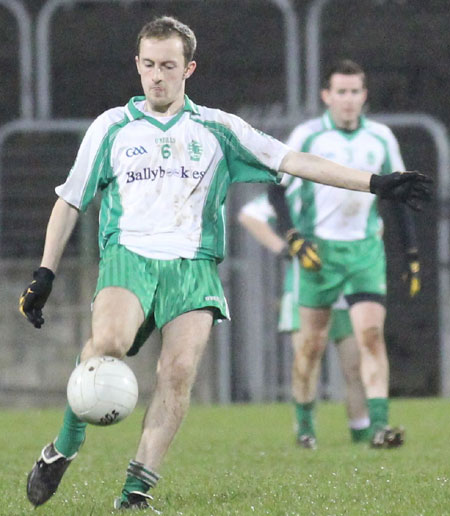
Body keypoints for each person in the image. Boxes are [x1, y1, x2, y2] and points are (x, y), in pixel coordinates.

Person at [19, 18, 431, 511]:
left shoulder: (217, 128)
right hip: (130, 255)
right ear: (137, 65)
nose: (157, 76)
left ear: (188, 68)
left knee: (178, 372)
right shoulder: (111, 127)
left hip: (195, 266)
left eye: (168, 66)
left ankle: (135, 493)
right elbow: (69, 201)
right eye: (148, 65)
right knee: (107, 344)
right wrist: (45, 272)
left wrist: (375, 183)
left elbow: (293, 160)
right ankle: (65, 446)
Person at [268, 59, 424, 450]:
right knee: (311, 345)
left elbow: (399, 194)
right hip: (319, 253)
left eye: (355, 92)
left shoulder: (381, 138)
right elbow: (276, 188)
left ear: (364, 96)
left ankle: (379, 428)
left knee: (371, 337)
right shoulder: (308, 135)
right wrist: (293, 238)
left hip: (365, 251)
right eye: (341, 91)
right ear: (327, 96)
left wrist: (411, 252)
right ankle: (305, 428)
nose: (348, 100)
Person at [239, 193, 370, 449]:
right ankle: (305, 430)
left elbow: (373, 223)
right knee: (307, 356)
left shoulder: (349, 185)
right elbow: (250, 214)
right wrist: (283, 249)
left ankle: (362, 431)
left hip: (346, 286)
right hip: (305, 286)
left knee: (355, 364)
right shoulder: (302, 185)